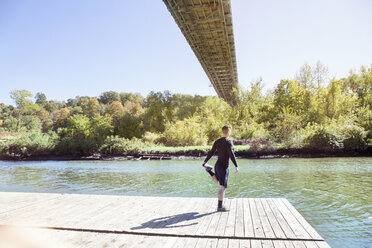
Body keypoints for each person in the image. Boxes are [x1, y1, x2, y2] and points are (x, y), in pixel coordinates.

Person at [202, 125, 239, 212]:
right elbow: (231, 155)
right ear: (229, 132)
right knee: (222, 187)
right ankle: (220, 207)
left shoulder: (217, 141)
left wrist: (205, 161)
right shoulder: (229, 142)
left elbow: (211, 152)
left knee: (219, 183)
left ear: (223, 132)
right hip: (224, 167)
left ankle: (210, 171)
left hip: (217, 165)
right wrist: (236, 166)